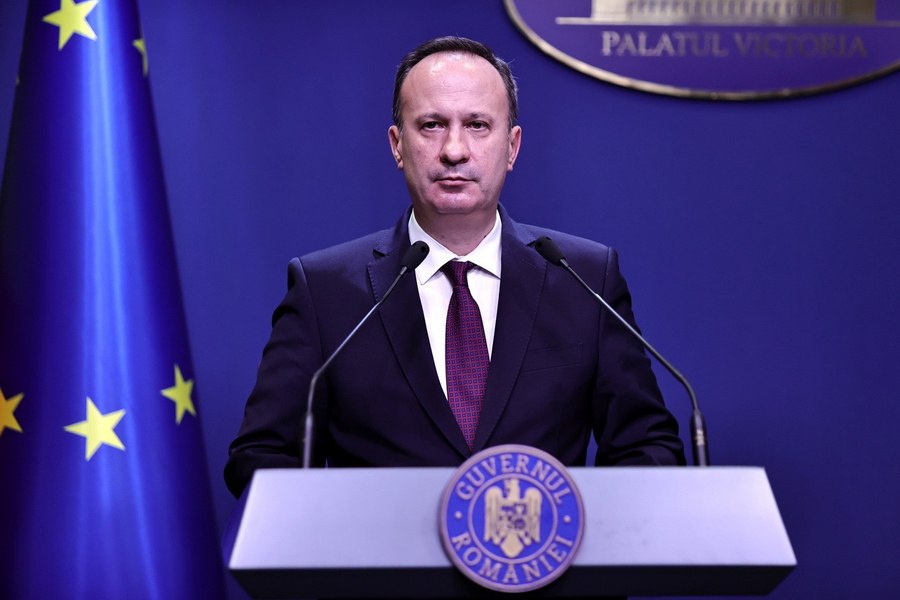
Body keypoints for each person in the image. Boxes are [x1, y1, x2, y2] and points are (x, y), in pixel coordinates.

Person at [225, 36, 684, 498]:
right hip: (384, 545)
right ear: (397, 145)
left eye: (478, 125)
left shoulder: (582, 278)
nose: (454, 150)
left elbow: (648, 447)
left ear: (512, 147)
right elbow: (261, 457)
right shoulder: (326, 291)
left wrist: (582, 523)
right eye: (432, 125)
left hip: (537, 542)